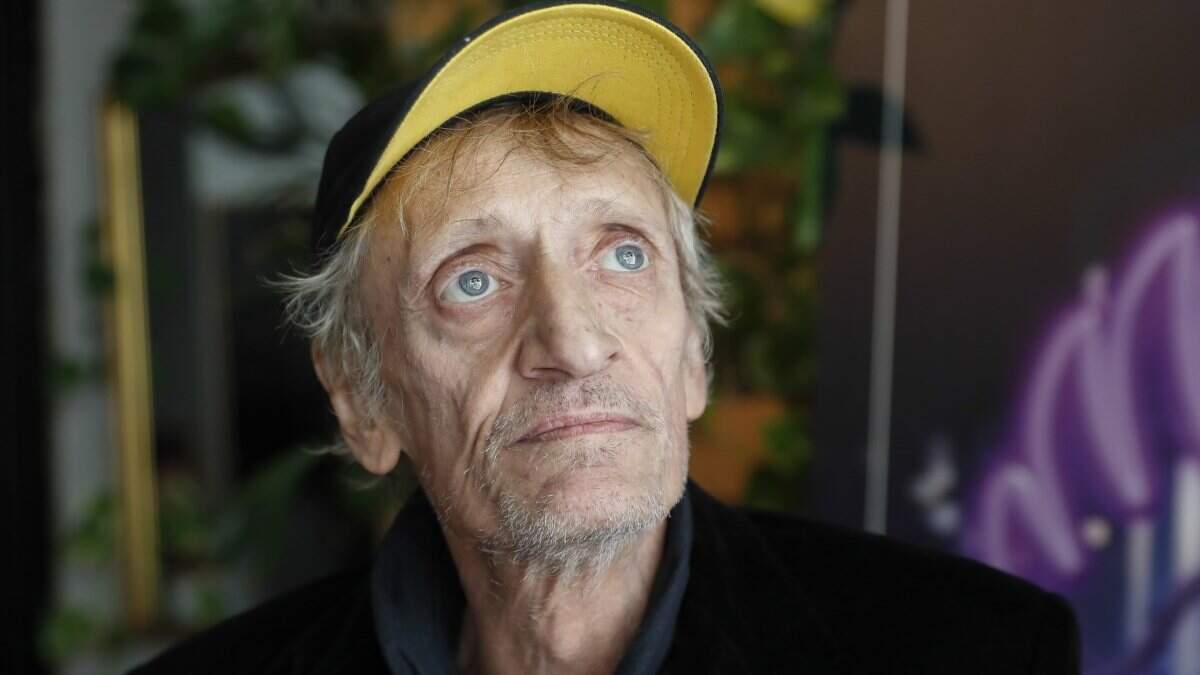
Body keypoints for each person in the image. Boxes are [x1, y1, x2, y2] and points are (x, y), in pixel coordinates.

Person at [133, 2, 1080, 673]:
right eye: (472, 279)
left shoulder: (977, 650)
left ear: (694, 351)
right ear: (362, 396)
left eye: (623, 256)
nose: (575, 342)